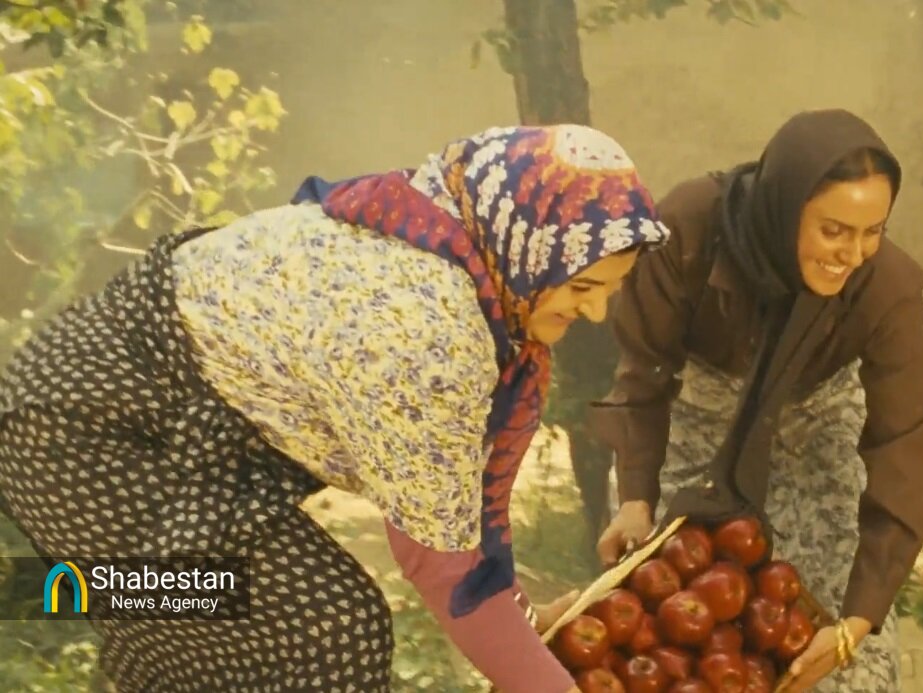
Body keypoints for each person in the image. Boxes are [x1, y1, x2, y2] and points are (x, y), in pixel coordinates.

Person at [0, 124, 670, 692]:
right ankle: (47, 593)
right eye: (582, 284)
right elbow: (441, 563)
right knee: (320, 629)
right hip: (95, 426)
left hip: (149, 421)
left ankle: (47, 594)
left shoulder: (455, 246)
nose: (595, 310)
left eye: (610, 288)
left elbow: (463, 521)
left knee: (188, 604)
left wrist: (519, 626)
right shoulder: (429, 330)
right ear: (528, 247)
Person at [591, 109, 923, 692]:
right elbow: (643, 377)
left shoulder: (887, 287)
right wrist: (634, 495)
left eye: (872, 230)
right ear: (784, 206)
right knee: (669, 616)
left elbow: (903, 446)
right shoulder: (689, 228)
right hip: (695, 406)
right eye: (833, 230)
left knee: (838, 644)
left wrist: (857, 621)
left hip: (818, 414)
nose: (852, 254)